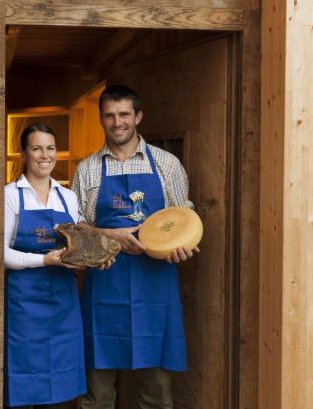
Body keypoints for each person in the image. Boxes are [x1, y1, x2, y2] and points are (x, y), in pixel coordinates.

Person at [71, 85, 199, 409]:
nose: (118, 122)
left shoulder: (167, 165)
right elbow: (77, 231)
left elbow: (183, 219)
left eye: (124, 114)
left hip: (154, 289)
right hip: (104, 288)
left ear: (137, 116)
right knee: (96, 396)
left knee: (156, 393)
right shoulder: (87, 170)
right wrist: (114, 236)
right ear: (101, 119)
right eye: (110, 115)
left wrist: (183, 247)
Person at [3, 124, 94, 408]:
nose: (45, 155)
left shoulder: (68, 197)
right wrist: (43, 259)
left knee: (59, 382)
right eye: (37, 148)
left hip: (63, 300)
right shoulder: (9, 194)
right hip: (24, 302)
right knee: (24, 379)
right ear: (24, 153)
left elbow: (77, 246)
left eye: (51, 148)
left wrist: (92, 257)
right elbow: (0, 254)